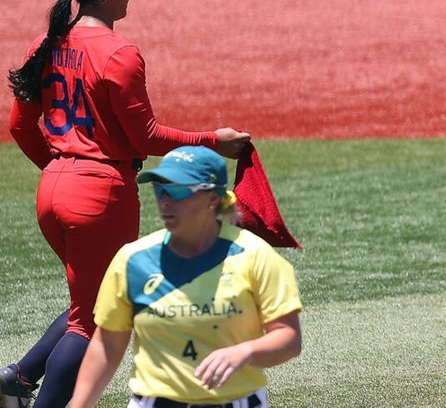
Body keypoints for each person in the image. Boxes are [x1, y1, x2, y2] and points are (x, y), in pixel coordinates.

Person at [1, 0, 250, 408]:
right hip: (100, 195)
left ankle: (18, 378)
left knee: (94, 300)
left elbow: (19, 125)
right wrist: (216, 141)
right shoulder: (119, 54)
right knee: (92, 320)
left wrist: (62, 168)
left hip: (53, 189)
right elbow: (147, 139)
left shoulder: (47, 43)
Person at [70, 146, 302, 407]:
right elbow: (108, 345)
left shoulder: (255, 256)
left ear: (212, 198)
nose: (165, 200)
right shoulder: (133, 259)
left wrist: (245, 352)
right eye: (160, 189)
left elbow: (289, 339)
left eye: (178, 190)